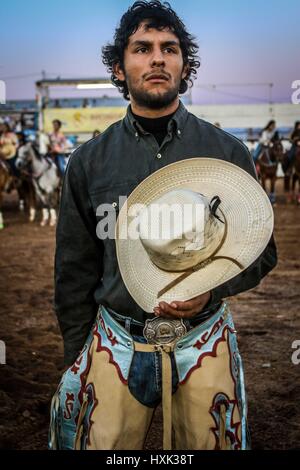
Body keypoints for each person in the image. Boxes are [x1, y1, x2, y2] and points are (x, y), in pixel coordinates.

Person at [50, 0, 277, 451]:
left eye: (169, 49)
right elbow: (73, 271)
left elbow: (263, 251)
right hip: (114, 339)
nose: (157, 58)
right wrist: (78, 356)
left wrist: (211, 292)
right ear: (119, 68)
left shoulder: (228, 153)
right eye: (142, 48)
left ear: (184, 65)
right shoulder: (87, 162)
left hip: (204, 337)